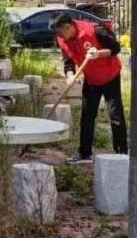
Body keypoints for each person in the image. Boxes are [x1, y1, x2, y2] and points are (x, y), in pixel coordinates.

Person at [53, 14, 128, 163]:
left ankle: (122, 153)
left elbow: (116, 48)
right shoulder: (62, 39)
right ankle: (85, 154)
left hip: (110, 76)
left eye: (61, 32)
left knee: (115, 115)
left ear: (69, 27)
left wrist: (98, 54)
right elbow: (68, 61)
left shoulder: (95, 30)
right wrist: (69, 76)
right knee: (87, 116)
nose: (60, 36)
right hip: (91, 79)